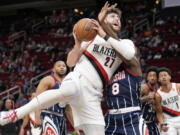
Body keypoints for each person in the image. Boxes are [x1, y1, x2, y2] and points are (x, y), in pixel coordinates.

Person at [0, 2, 136, 135]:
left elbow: (129, 54)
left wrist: (103, 33)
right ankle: (14, 114)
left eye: (118, 18)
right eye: (112, 16)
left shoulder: (125, 43)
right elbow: (70, 62)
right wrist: (77, 45)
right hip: (79, 78)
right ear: (104, 21)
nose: (117, 19)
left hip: (94, 94)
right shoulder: (91, 39)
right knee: (67, 89)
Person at [155, 67, 180, 135]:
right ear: (159, 80)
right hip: (169, 121)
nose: (163, 77)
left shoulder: (178, 86)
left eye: (165, 75)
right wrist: (162, 124)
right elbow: (159, 112)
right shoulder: (158, 95)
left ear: (169, 77)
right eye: (161, 76)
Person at [140, 66, 160, 135]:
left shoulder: (158, 89)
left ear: (157, 78)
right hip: (142, 122)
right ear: (147, 78)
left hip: (152, 122)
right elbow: (133, 101)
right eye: (150, 76)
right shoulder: (143, 87)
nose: (152, 78)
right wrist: (147, 97)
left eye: (154, 76)